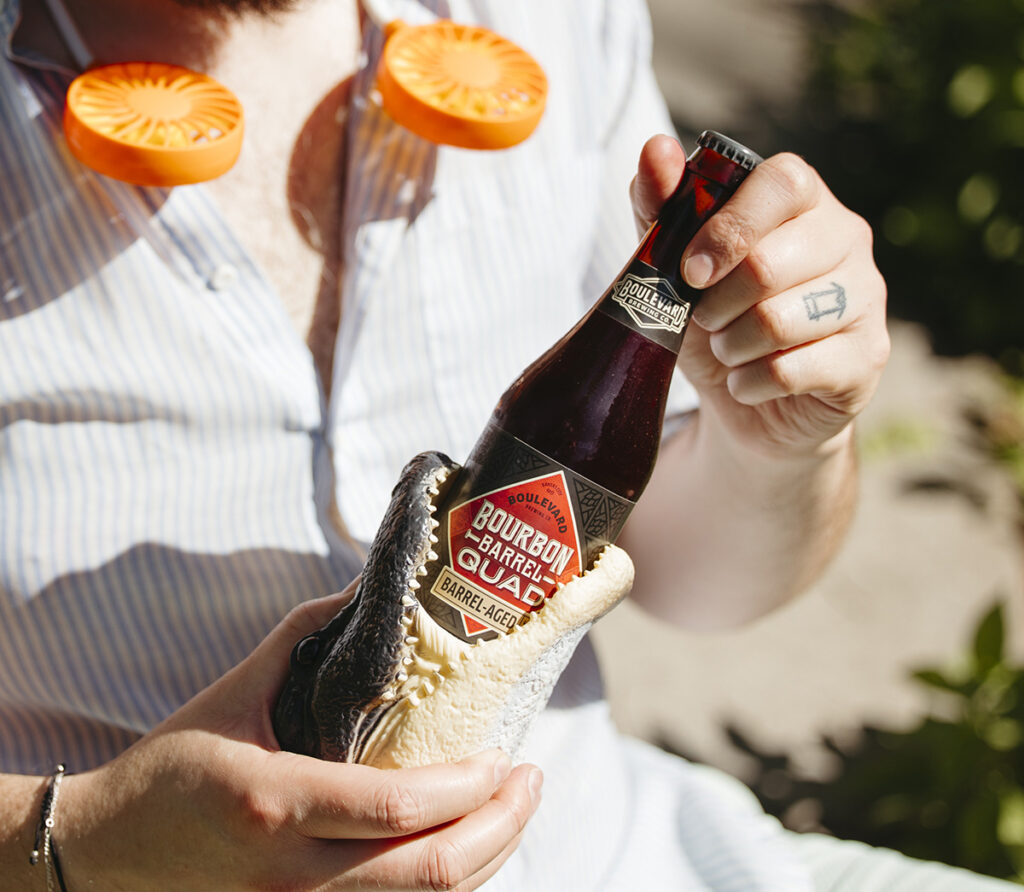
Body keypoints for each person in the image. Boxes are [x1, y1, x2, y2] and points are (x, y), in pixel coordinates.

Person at [0, 0, 1011, 888]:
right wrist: (87, 841)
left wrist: (780, 441)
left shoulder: (555, 18)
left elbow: (697, 585)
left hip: (619, 858)